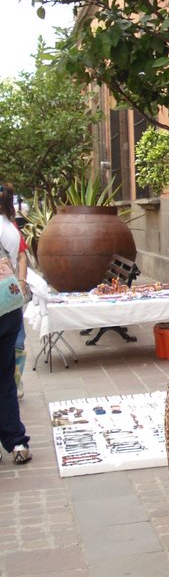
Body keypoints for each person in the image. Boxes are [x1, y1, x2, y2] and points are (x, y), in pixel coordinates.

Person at [0, 184, 31, 463]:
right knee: (5, 376)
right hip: (8, 307)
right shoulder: (10, 226)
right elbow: (21, 254)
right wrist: (21, 284)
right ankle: (16, 441)